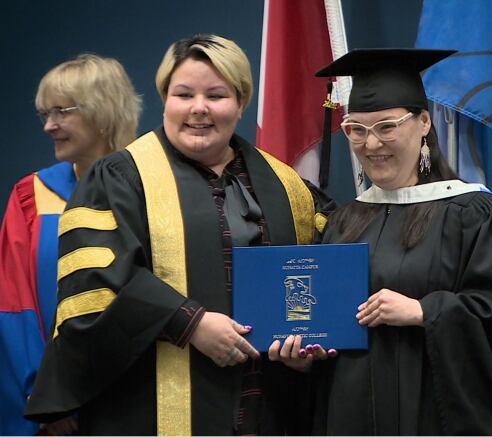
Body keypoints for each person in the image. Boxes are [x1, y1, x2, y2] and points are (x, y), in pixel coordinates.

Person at [24, 34, 334, 435]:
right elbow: (94, 284)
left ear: (241, 103)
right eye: (183, 94)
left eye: (217, 95)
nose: (199, 109)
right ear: (165, 98)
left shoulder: (287, 185)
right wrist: (190, 322)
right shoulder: (120, 177)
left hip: (267, 405)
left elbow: (319, 277)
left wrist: (305, 346)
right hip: (149, 404)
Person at [310, 48, 492, 435]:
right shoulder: (344, 221)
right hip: (352, 415)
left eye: (387, 126)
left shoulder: (473, 214)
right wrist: (304, 354)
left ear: (424, 122)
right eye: (357, 129)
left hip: (434, 417)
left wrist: (425, 312)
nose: (371, 145)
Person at [0, 54, 140, 436]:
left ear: (102, 110)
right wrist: (45, 398)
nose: (49, 126)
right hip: (56, 409)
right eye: (45, 113)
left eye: (61, 112)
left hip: (139, 397)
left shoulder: (152, 188)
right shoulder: (33, 195)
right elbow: (15, 304)